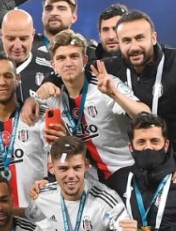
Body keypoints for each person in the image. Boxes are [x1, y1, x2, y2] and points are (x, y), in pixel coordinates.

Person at [108, 10, 176, 180]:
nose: (134, 47)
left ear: (153, 38)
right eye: (126, 41)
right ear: (118, 44)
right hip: (144, 161)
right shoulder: (113, 67)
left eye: (139, 38)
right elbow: (77, 66)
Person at [25, 136, 130, 231]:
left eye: (76, 167)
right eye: (63, 169)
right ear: (51, 168)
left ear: (86, 165)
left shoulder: (105, 200)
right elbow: (30, 216)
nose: (71, 175)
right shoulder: (43, 196)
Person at [45, 31, 148, 181]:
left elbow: (146, 116)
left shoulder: (105, 83)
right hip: (91, 182)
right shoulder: (54, 98)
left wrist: (114, 94)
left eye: (74, 56)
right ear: (53, 65)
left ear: (85, 60)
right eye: (61, 58)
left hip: (127, 171)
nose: (68, 63)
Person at [0, 53, 47, 208]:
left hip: (37, 215)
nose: (2, 82)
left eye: (7, 76)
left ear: (17, 78)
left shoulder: (38, 119)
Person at [0, 10, 53, 104]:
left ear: (33, 35)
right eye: (11, 39)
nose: (17, 46)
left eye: (23, 39)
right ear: (1, 35)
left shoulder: (49, 70)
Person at [0, 0, 83, 50]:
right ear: (42, 15)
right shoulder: (25, 44)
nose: (53, 13)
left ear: (74, 18)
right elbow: (1, 4)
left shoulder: (84, 49)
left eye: (61, 9)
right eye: (48, 8)